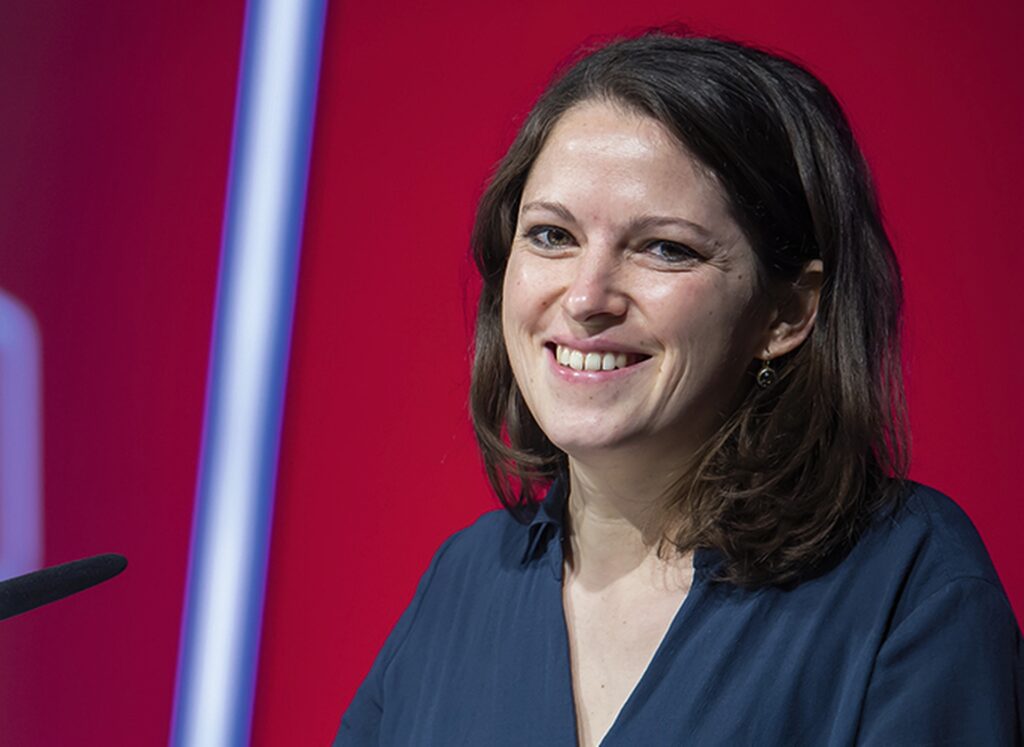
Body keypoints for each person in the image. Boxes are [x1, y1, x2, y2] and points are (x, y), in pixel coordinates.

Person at [335, 32, 1023, 745]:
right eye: (552, 236)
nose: (587, 297)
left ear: (787, 312)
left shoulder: (911, 585)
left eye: (665, 248)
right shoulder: (462, 582)